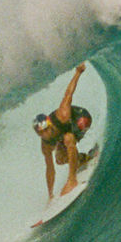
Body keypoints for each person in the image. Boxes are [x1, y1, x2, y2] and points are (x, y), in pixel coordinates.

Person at [34, 63, 95, 199]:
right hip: (67, 132)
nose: (44, 134)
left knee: (68, 138)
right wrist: (50, 195)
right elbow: (50, 169)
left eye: (45, 130)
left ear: (49, 124)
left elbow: (68, 94)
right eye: (40, 133)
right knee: (60, 159)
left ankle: (72, 180)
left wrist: (78, 73)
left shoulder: (62, 114)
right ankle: (83, 158)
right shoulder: (45, 144)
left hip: (80, 118)